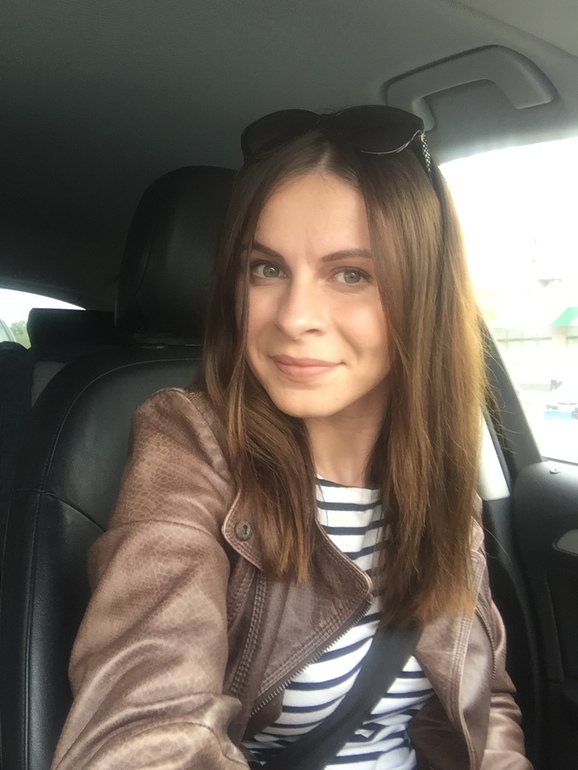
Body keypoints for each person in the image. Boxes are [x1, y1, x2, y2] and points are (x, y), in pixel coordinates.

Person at [52, 106, 532, 769]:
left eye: (352, 273)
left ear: (423, 296)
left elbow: (486, 701)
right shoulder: (191, 445)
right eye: (267, 269)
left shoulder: (441, 475)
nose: (295, 316)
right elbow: (142, 724)